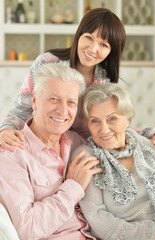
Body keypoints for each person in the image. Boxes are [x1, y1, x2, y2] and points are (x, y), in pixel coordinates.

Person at [0, 7, 155, 151]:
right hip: (40, 144)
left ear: (111, 51)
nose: (92, 49)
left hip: (81, 149)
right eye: (89, 37)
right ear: (79, 35)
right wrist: (5, 131)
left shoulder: (106, 80)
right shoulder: (47, 62)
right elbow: (20, 111)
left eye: (103, 45)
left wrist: (150, 134)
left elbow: (114, 126)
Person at [0, 63, 103, 240]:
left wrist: (150, 135)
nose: (63, 110)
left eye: (71, 102)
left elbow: (114, 136)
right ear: (34, 101)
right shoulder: (11, 153)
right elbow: (27, 229)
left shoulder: (78, 143)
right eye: (53, 99)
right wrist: (73, 186)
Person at [71, 83, 155, 240]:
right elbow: (96, 218)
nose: (104, 129)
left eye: (112, 118)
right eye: (95, 121)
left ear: (127, 119)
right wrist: (154, 235)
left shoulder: (148, 143)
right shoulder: (87, 157)